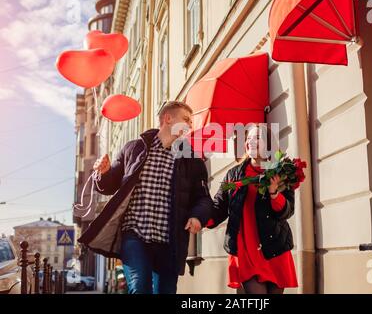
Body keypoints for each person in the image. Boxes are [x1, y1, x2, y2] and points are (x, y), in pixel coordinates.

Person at [78, 101, 213, 294]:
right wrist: (104, 172)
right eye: (185, 120)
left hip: (169, 241)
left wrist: (197, 215)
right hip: (135, 236)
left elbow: (203, 198)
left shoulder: (191, 160)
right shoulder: (135, 149)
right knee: (140, 287)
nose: (189, 126)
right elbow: (108, 185)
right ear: (168, 119)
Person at [208, 123, 298, 294]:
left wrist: (274, 193)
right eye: (248, 138)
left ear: (268, 143)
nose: (250, 142)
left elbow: (287, 211)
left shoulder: (280, 172)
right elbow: (219, 207)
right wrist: (200, 218)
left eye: (256, 138)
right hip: (246, 252)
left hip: (274, 249)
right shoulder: (234, 175)